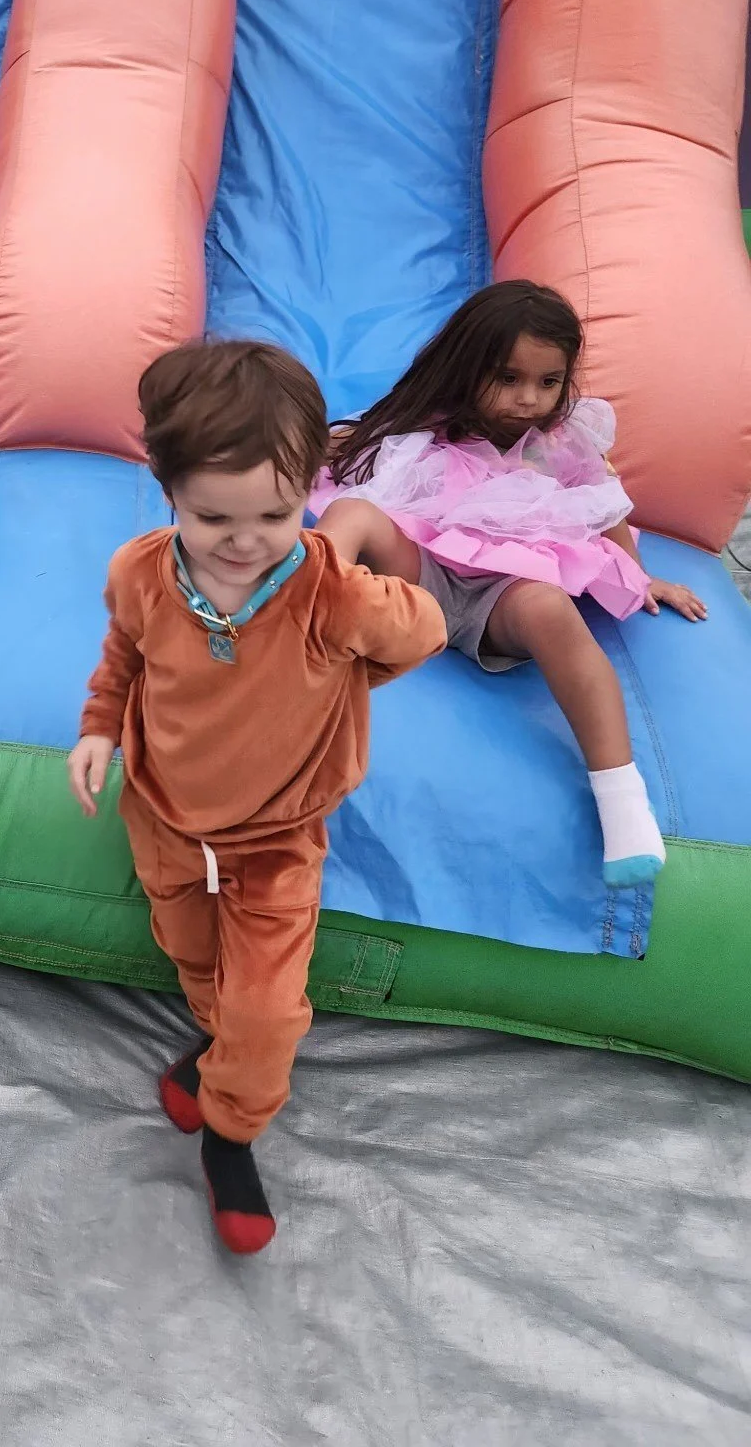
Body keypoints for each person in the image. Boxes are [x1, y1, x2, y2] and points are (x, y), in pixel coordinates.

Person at [67, 341, 444, 1254]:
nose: (244, 542)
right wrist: (99, 726)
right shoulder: (141, 573)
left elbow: (421, 632)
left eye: (274, 515)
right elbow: (124, 652)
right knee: (194, 957)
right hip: (162, 815)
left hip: (276, 837)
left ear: (307, 488)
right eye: (213, 517)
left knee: (268, 1010)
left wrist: (340, 691)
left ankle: (233, 1134)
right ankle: (211, 1050)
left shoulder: (329, 595)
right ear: (167, 492)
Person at [312, 279, 704, 891]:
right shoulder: (431, 421)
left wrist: (639, 572)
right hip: (422, 572)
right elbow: (355, 451)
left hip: (506, 592)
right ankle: (298, 607)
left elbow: (606, 505)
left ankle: (621, 797)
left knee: (552, 613)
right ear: (469, 368)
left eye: (548, 383)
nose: (528, 399)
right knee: (357, 512)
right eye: (509, 379)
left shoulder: (563, 441)